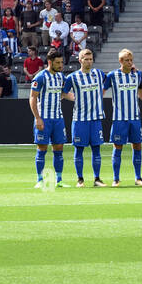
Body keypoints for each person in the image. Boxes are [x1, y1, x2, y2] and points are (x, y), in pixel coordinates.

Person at [105, 48, 142, 186]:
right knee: (117, 147)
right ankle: (116, 179)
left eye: (131, 60)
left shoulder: (137, 75)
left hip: (134, 117)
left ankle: (138, 178)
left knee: (137, 146)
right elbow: (102, 90)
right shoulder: (112, 75)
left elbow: (141, 92)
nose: (130, 63)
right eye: (127, 60)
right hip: (119, 118)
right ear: (120, 61)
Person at [63, 48, 107, 186]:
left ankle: (97, 179)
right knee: (79, 149)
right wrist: (75, 98)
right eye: (86, 59)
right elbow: (63, 93)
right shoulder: (72, 77)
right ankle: (80, 179)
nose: (89, 61)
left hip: (95, 118)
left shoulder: (99, 73)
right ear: (80, 60)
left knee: (96, 148)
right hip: (80, 119)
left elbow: (112, 80)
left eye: (90, 59)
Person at [29, 47, 67, 187]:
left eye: (62, 62)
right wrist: (37, 118)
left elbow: (64, 93)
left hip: (58, 118)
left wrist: (75, 98)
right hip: (44, 119)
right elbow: (32, 98)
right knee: (42, 149)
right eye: (58, 63)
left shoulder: (61, 77)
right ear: (50, 62)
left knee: (59, 149)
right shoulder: (40, 77)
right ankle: (40, 180)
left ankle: (59, 180)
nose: (61, 65)